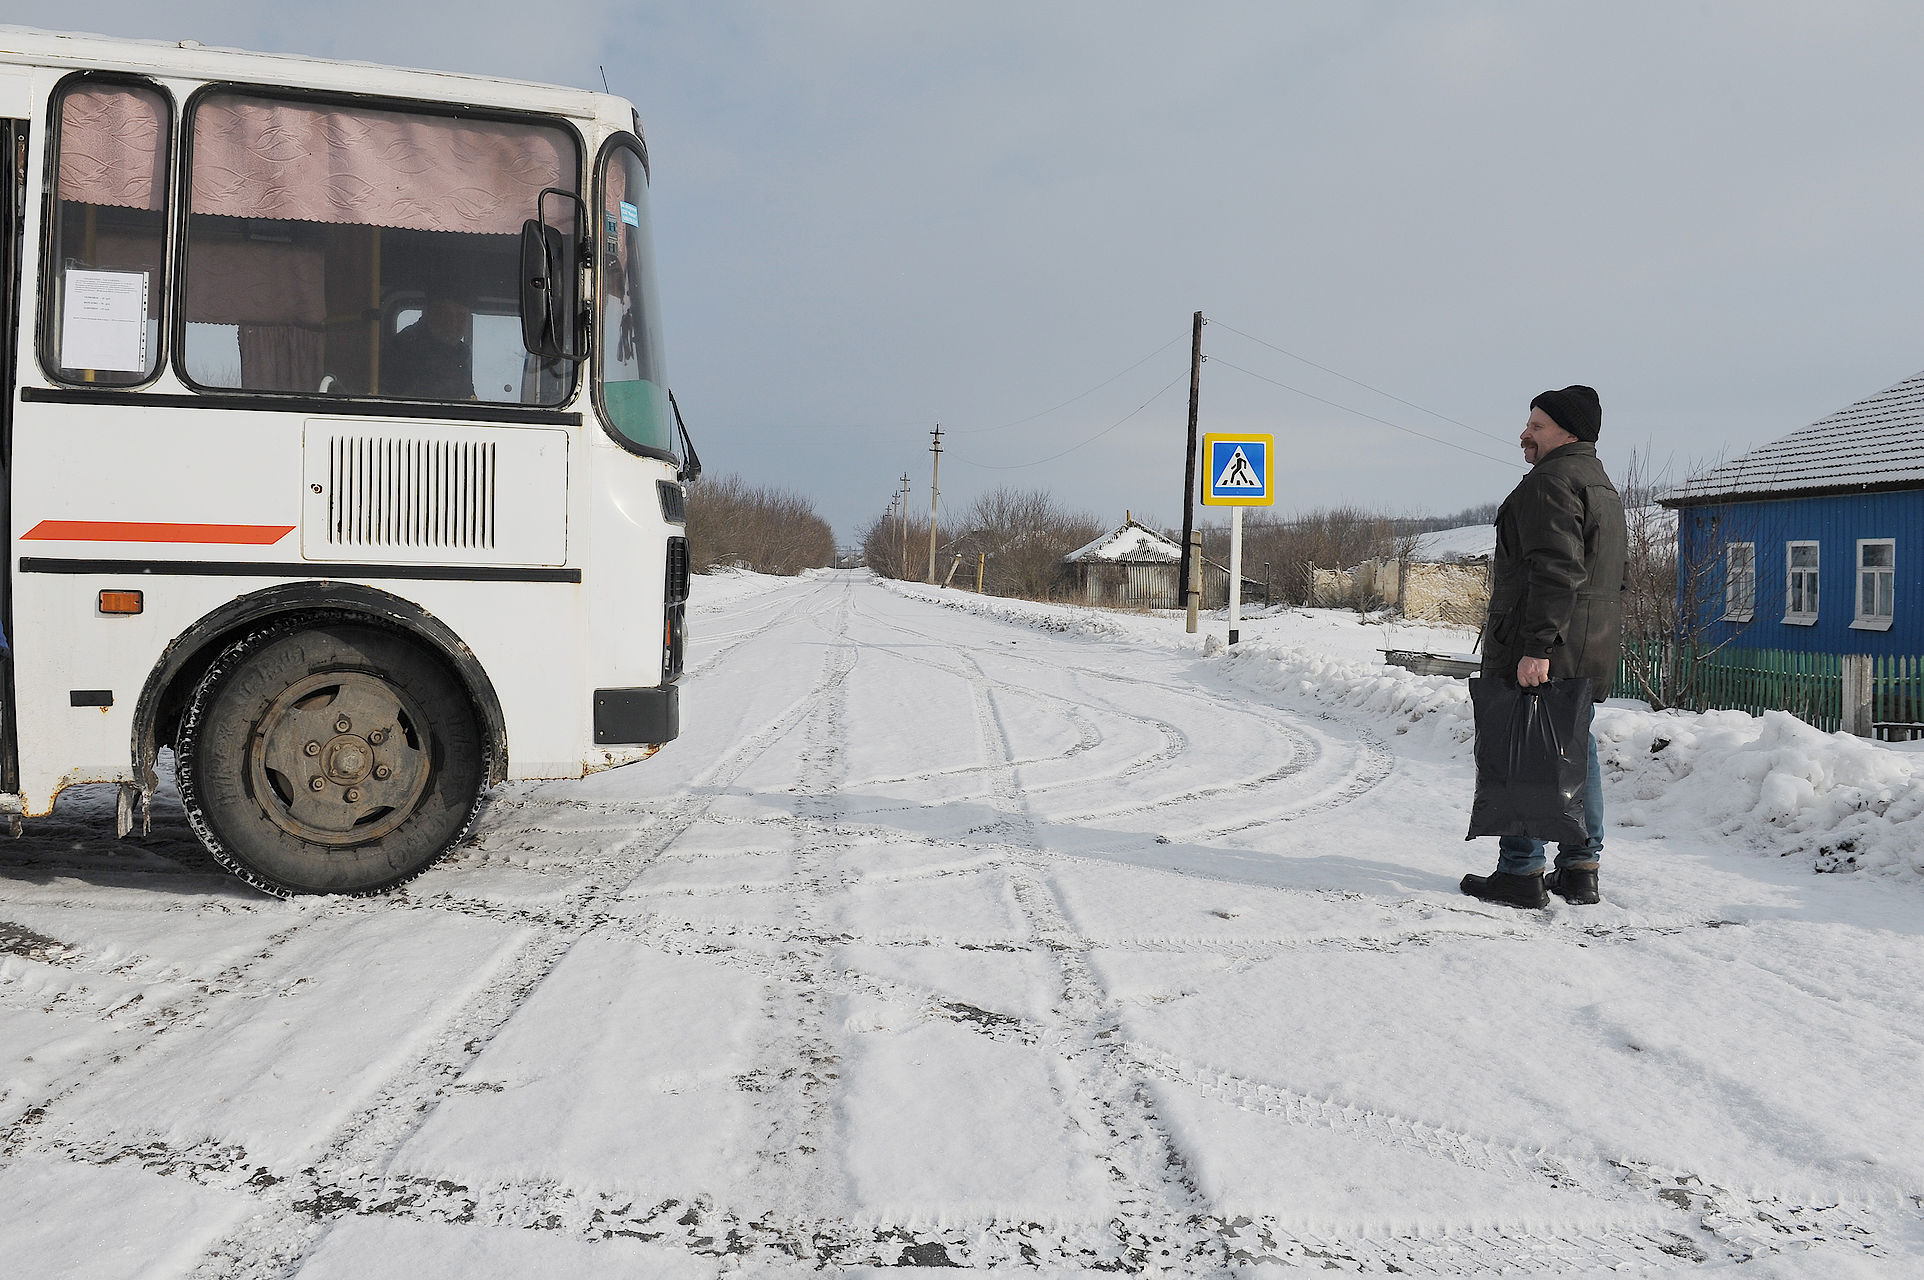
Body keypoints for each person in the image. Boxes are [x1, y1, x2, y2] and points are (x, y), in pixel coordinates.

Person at [1461, 385, 1627, 909]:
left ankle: (1521, 872)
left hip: (1546, 642)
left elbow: (1556, 569)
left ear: (1567, 431)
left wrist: (1537, 646)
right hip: (1588, 638)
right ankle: (1580, 867)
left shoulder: (1551, 483)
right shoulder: (1597, 482)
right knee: (1575, 745)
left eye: (1536, 425)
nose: (1523, 434)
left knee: (1527, 745)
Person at [386, 296, 474, 400]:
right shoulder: (405, 347)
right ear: (429, 314)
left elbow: (467, 397)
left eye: (461, 316)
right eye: (446, 315)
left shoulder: (460, 354)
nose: (453, 323)